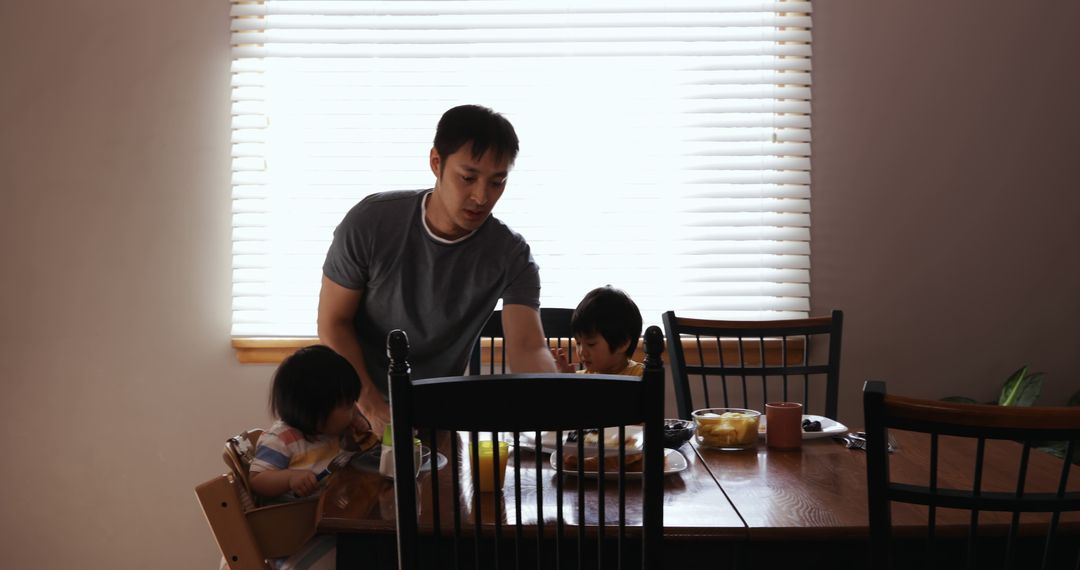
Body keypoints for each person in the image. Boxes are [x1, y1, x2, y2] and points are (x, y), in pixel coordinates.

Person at [318, 104, 556, 433]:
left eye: (497, 182)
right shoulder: (370, 223)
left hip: (437, 416)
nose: (481, 196)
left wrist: (558, 393)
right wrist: (372, 404)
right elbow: (332, 323)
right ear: (436, 163)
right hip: (351, 409)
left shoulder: (510, 255)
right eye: (468, 177)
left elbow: (529, 347)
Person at [249, 345, 371, 501]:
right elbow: (257, 480)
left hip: (333, 508)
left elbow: (346, 462)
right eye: (347, 405)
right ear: (314, 409)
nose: (354, 410)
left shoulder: (331, 431)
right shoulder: (282, 439)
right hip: (297, 517)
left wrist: (355, 439)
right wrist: (290, 478)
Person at [554, 286, 644, 376]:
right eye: (578, 343)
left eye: (591, 344)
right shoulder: (581, 377)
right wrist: (567, 382)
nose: (582, 352)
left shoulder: (641, 376)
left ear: (622, 343)